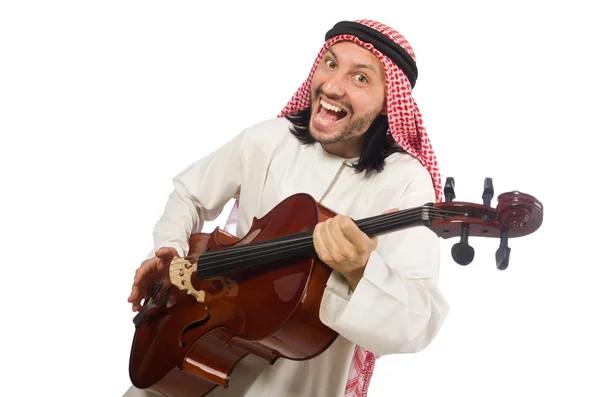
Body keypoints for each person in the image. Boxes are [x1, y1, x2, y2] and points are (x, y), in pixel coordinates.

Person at [124, 19, 450, 397]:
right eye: (330, 64)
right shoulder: (269, 139)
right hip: (195, 344)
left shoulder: (405, 183)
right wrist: (171, 251)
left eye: (360, 78)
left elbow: (418, 322)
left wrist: (362, 271)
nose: (332, 86)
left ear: (387, 103)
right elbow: (189, 194)